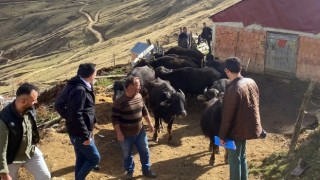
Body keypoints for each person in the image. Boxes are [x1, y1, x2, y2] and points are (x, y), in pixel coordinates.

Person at [219, 57, 263, 180]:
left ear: (227, 70)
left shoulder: (232, 89)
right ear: (240, 68)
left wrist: (222, 136)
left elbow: (227, 116)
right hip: (249, 127)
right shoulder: (251, 82)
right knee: (242, 157)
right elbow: (256, 105)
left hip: (236, 132)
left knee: (234, 161)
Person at [55, 63, 100, 180]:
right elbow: (76, 113)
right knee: (95, 158)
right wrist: (85, 135)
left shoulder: (76, 84)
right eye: (95, 73)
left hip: (77, 130)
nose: (96, 75)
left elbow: (59, 105)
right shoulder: (80, 89)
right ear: (91, 74)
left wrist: (70, 118)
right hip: (81, 133)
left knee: (81, 158)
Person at [0, 83, 51, 180]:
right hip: (11, 158)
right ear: (23, 101)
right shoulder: (3, 119)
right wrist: (4, 173)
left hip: (30, 152)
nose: (36, 102)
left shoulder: (30, 109)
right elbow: (0, 149)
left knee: (45, 177)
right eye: (33, 100)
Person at [111, 76, 157, 180]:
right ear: (130, 87)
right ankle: (129, 172)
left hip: (140, 132)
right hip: (125, 134)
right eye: (138, 86)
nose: (140, 88)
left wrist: (150, 123)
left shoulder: (139, 96)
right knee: (127, 154)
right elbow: (115, 119)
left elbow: (144, 110)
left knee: (145, 151)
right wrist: (119, 133)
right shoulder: (119, 102)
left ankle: (147, 170)